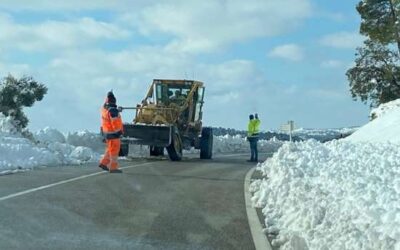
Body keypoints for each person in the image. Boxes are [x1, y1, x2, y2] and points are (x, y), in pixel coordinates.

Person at [99, 91, 124, 173]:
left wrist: (117, 110)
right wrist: (119, 133)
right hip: (113, 134)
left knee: (110, 149)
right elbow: (115, 123)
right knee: (114, 151)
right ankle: (113, 168)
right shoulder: (113, 111)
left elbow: (109, 115)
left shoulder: (104, 109)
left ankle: (103, 163)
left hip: (107, 133)